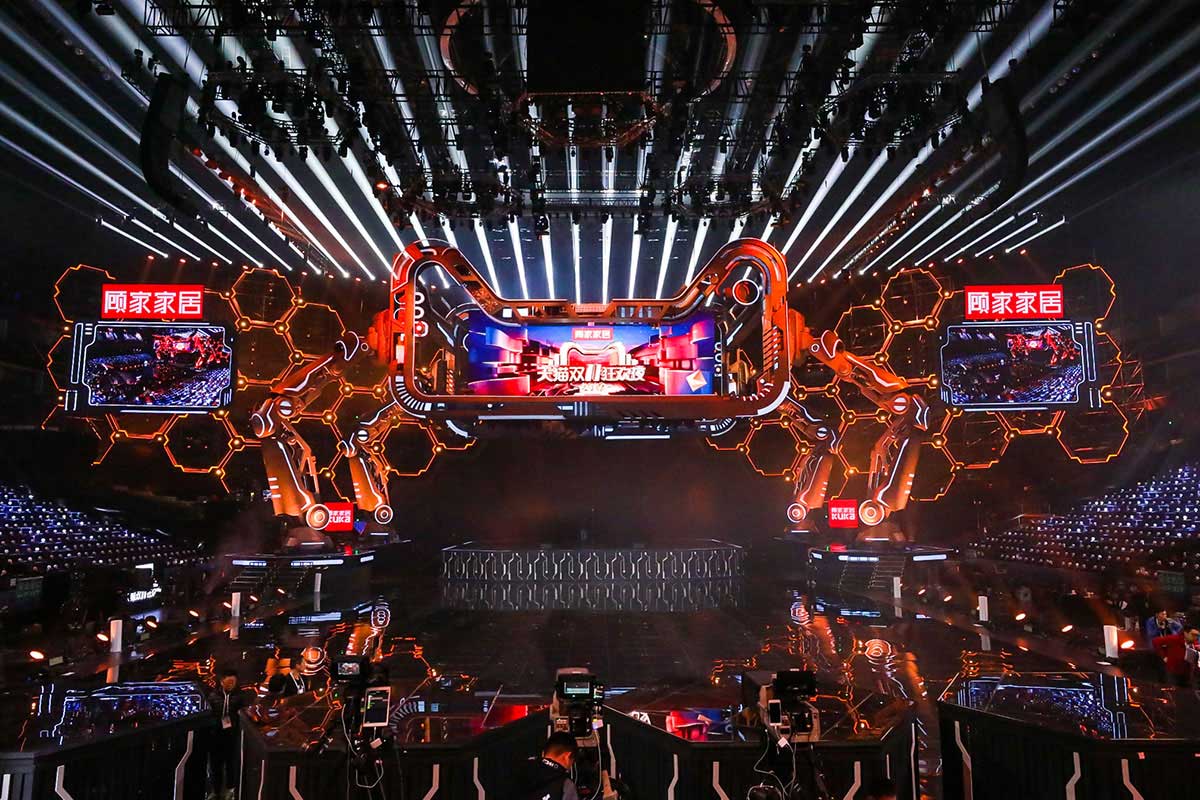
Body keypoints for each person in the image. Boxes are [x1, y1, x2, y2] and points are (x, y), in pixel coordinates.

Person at [208, 668, 249, 800]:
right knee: (215, 764)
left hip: (233, 735)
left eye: (234, 682)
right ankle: (215, 790)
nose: (232, 685)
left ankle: (230, 789)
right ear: (222, 681)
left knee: (231, 763)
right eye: (229, 682)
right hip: (216, 735)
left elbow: (245, 715)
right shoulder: (213, 696)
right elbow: (208, 714)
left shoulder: (240, 697)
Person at [511, 732, 580, 800]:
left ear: (544, 752)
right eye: (571, 763)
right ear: (567, 756)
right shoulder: (565, 785)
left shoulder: (516, 771)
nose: (569, 767)